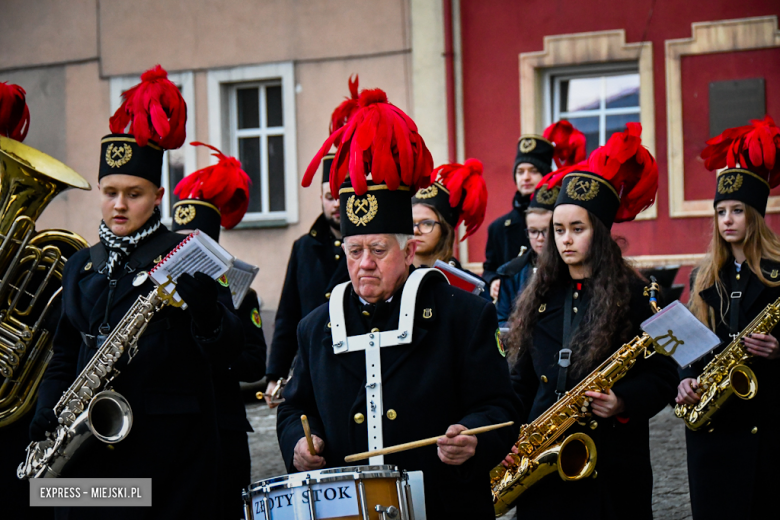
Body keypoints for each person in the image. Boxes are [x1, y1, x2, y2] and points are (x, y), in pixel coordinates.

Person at [277, 85, 519, 519]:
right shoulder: (316, 327)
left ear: (408, 252)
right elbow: (295, 407)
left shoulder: (464, 315)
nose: (365, 264)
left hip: (444, 505)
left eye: (379, 250)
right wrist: (298, 442)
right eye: (355, 251)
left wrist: (474, 437)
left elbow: (499, 407)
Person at [27, 66, 244, 520]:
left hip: (168, 462)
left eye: (134, 193)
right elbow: (64, 354)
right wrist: (46, 406)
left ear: (158, 195)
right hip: (90, 459)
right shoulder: (79, 264)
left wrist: (207, 316)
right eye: (109, 192)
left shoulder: (189, 253)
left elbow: (235, 357)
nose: (119, 205)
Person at [504, 123, 678, 520]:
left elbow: (665, 374)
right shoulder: (539, 296)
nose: (564, 240)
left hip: (613, 468)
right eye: (559, 230)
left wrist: (622, 401)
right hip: (546, 467)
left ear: (598, 233)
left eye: (577, 229)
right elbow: (521, 381)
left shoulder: (640, 295)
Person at [676, 115, 780, 520]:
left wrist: (777, 350)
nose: (728, 220)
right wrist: (682, 378)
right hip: (712, 431)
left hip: (765, 428)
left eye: (738, 210)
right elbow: (686, 349)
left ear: (755, 215)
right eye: (721, 212)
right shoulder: (702, 277)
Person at [171, 141, 267, 519]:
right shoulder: (157, 292)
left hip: (223, 427)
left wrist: (217, 349)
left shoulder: (242, 293)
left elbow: (255, 364)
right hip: (176, 429)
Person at [264, 152, 349, 406]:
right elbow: (288, 314)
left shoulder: (369, 249)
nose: (335, 204)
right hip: (312, 364)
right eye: (329, 197)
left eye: (342, 197)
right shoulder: (304, 247)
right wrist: (276, 374)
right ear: (320, 199)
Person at [483, 121, 585, 300]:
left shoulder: (564, 218)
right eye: (520, 171)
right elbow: (489, 270)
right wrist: (493, 281)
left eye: (533, 170)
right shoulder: (498, 228)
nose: (526, 177)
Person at [494, 169, 561, 326]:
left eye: (546, 231)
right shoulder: (511, 272)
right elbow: (500, 320)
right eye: (533, 231)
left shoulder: (575, 270)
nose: (539, 239)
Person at [410, 158, 488, 279]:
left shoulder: (467, 285)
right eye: (411, 223)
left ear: (445, 230)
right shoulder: (391, 282)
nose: (415, 231)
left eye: (426, 223)